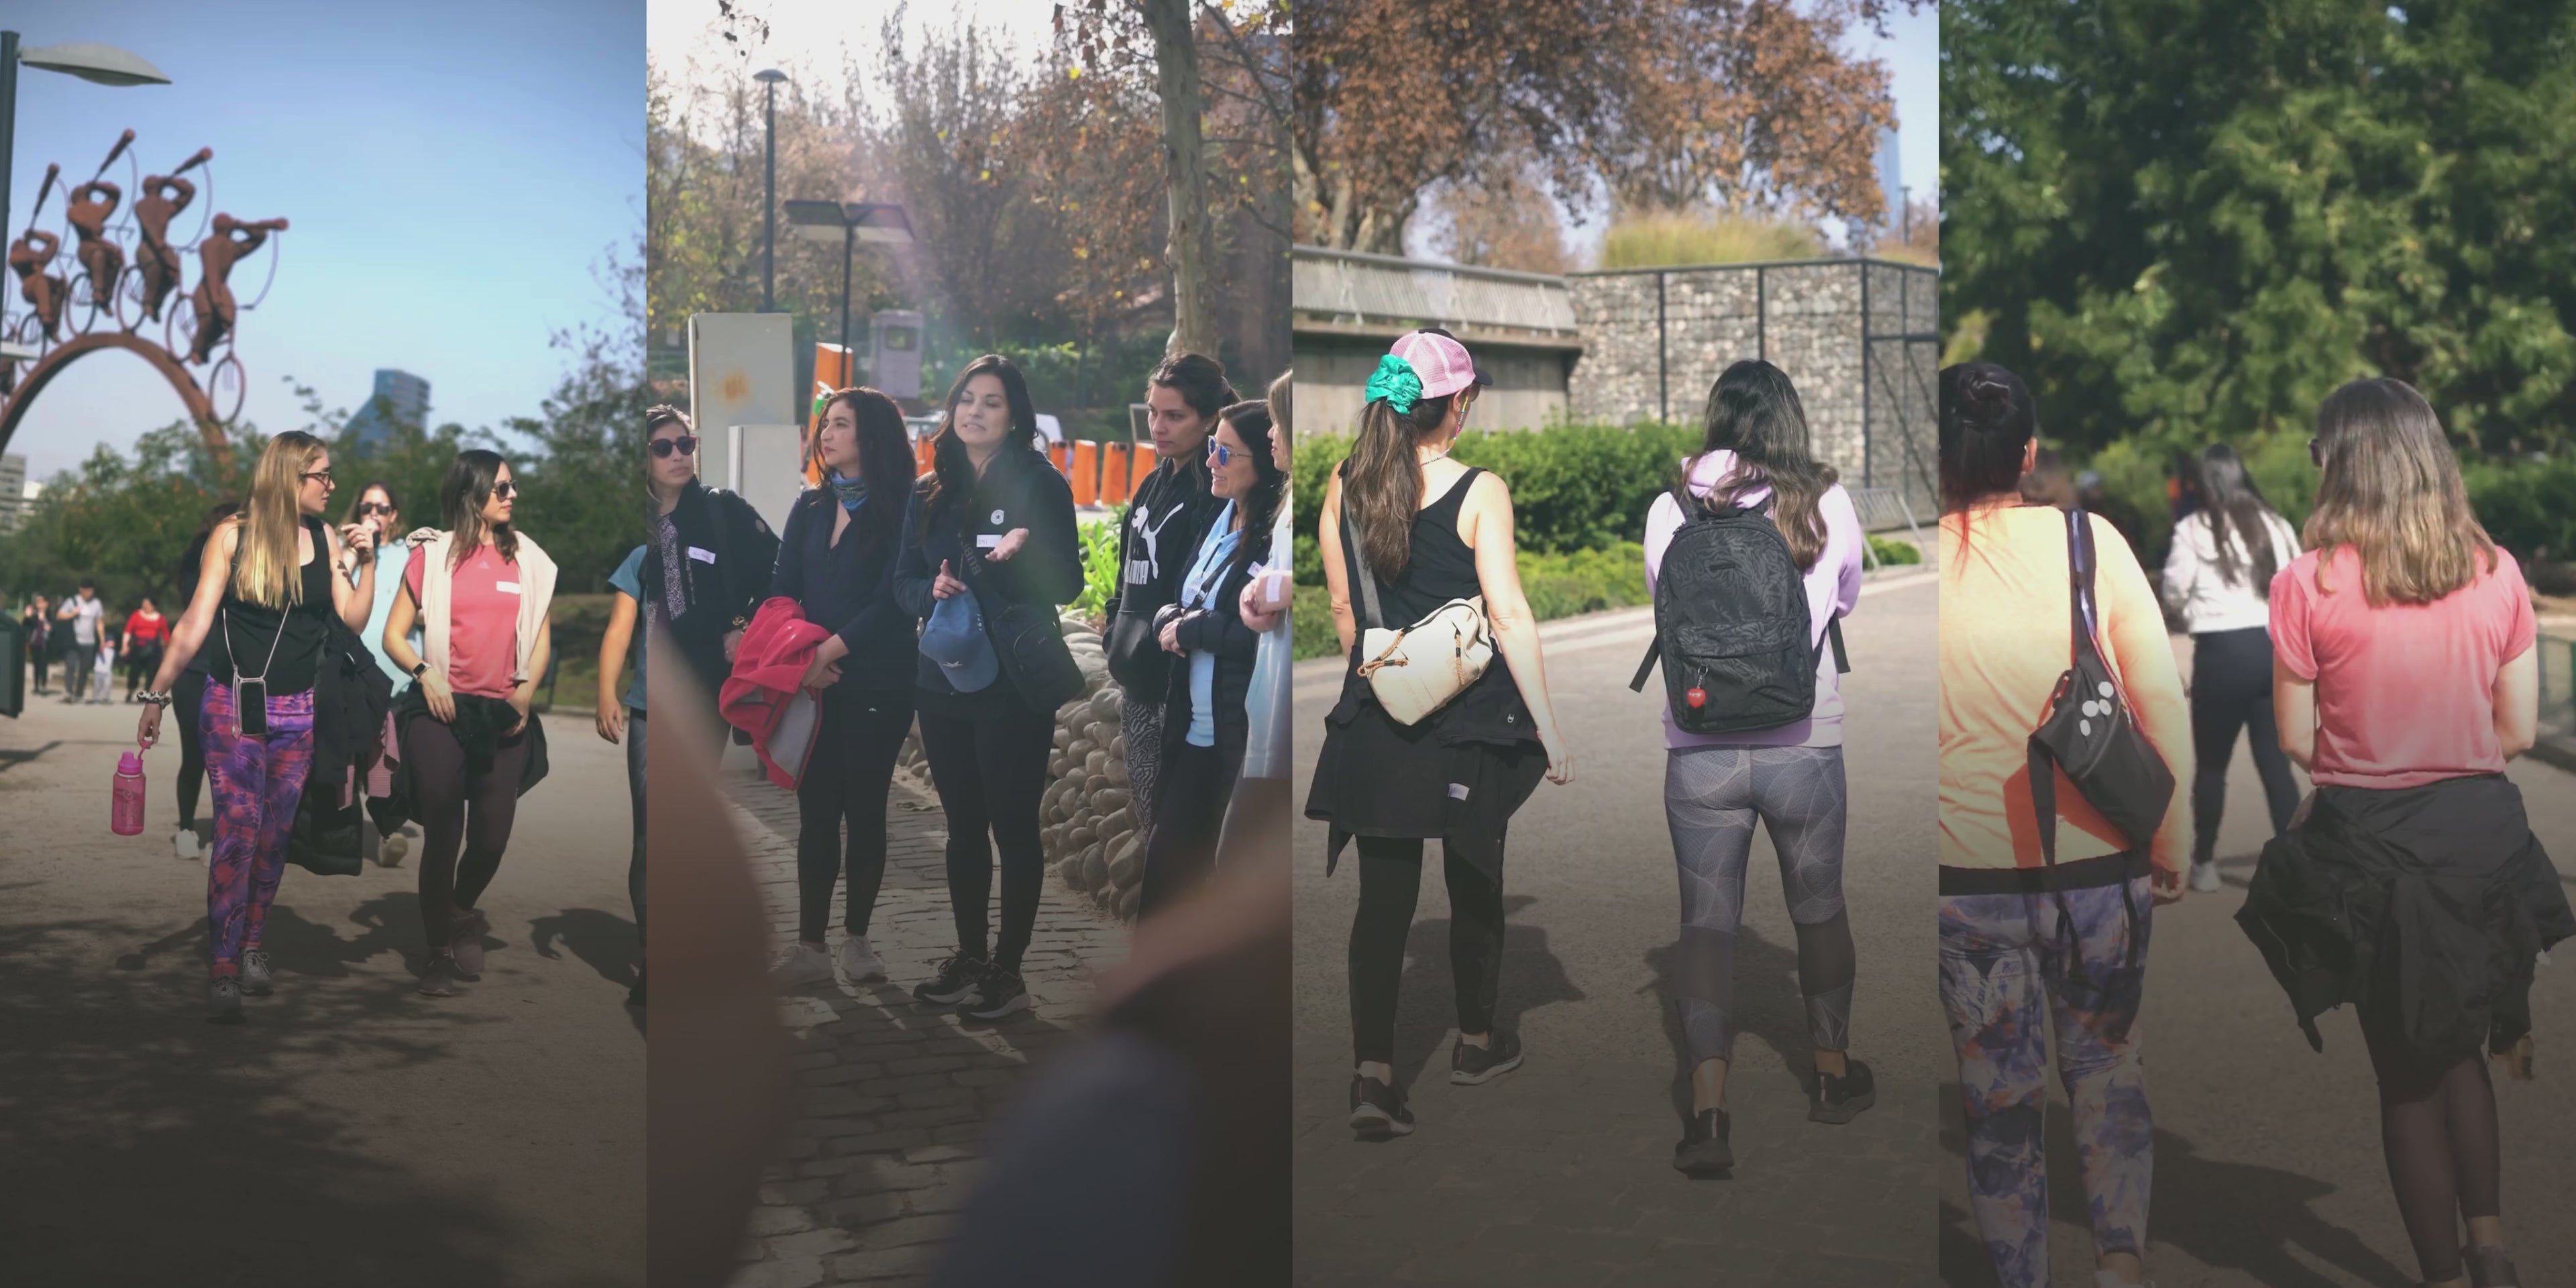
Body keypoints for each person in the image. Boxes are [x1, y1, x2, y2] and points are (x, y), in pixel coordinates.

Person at [2239, 378, 2569, 1288]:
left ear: (2339, 464)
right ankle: (2492, 1248)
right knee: (2461, 1047)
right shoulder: (2497, 570)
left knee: (2406, 1075)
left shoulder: (2306, 583)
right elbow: (2520, 732)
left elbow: (2298, 740)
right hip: (2480, 842)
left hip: (2371, 849)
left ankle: (2440, 1275)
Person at [1935, 362, 2192, 1288]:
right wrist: (2173, 842)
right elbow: (2159, 701)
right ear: (2029, 454)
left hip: (1964, 888)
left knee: (1999, 1105)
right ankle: (2119, 1265)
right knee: (2109, 1071)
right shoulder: (2091, 544)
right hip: (2099, 873)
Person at [1307, 329, 1572, 1142]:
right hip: (1468, 724)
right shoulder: (1481, 490)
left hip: (1378, 715)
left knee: (1382, 903)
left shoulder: (1343, 482)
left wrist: (1385, 676)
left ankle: (1374, 1076)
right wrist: (1551, 729)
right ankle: (1477, 1042)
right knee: (1474, 881)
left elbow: (1346, 611)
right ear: (1455, 406)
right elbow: (1510, 612)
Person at [1644, 360, 1872, 1177]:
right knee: (1819, 908)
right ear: (1789, 420)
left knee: (1705, 927)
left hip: (1698, 752)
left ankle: (1708, 1114)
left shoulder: (1669, 507)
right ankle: (1832, 1077)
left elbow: (1665, 612)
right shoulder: (1825, 501)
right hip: (1804, 742)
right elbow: (1844, 599)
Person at [137, 432, 376, 1021]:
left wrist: (367, 562)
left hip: (299, 712)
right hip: (231, 707)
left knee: (274, 837)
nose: (331, 486)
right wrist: (156, 695)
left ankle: (252, 945)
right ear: (291, 478)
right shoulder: (233, 536)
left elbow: (352, 618)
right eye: (322, 475)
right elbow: (194, 621)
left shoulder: (323, 539)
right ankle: (223, 960)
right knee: (237, 831)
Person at [893, 354, 1084, 1022]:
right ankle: (970, 957)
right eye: (966, 399)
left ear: (1015, 416)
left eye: (992, 402)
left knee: (1013, 827)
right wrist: (931, 588)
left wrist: (1026, 552)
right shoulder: (927, 491)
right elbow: (902, 583)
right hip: (942, 677)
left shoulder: (1039, 482)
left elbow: (1069, 585)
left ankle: (1009, 970)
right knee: (964, 828)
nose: (974, 411)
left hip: (1010, 683)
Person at [761, 386, 926, 991]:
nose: (826, 435)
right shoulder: (808, 507)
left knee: (865, 811)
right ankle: (809, 947)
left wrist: (829, 652)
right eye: (824, 424)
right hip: (813, 685)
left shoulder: (905, 509)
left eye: (841, 424)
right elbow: (782, 588)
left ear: (873, 437)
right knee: (815, 816)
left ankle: (857, 942)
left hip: (878, 679)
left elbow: (893, 601)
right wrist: (805, 657)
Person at [380, 451, 557, 998]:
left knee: (491, 838)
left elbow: (542, 638)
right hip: (441, 709)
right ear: (470, 494)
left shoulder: (529, 559)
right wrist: (426, 674)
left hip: (504, 715)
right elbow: (394, 635)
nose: (512, 495)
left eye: (512, 486)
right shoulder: (432, 558)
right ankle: (437, 952)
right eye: (501, 487)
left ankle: (460, 912)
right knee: (443, 831)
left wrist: (525, 696)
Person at [1137, 399, 1285, 916]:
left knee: (1210, 882)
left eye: (1225, 451)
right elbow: (1181, 598)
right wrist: (1168, 623)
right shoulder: (1219, 515)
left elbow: (1261, 634)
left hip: (1232, 736)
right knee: (1164, 875)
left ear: (1264, 462)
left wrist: (1194, 629)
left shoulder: (1274, 539)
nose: (1211, 461)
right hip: (1190, 725)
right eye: (1212, 448)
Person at [2158, 443, 2302, 893]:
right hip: (2270, 648)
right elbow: (2296, 580)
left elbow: (2175, 591)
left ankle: (2205, 864)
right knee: (2275, 762)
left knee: (2213, 765)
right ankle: (2296, 859)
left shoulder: (2193, 530)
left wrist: (2184, 610)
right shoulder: (2275, 524)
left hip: (2221, 654)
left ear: (2204, 484)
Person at [1108, 354, 1232, 837]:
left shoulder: (1215, 490)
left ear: (1210, 420)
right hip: (1136, 683)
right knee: (1149, 821)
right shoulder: (1152, 482)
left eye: (1174, 416)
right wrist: (1113, 633)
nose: (1158, 426)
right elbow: (1125, 573)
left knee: (1178, 837)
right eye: (1154, 412)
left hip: (1180, 688)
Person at [641, 405, 778, 751]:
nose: (678, 456)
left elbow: (781, 573)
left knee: (688, 796)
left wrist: (744, 627)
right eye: (663, 449)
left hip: (705, 681)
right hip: (643, 684)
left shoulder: (722, 510)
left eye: (685, 445)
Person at [1219, 370, 1296, 882]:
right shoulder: (1288, 501)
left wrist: (1272, 588)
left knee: (1237, 868)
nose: (1272, 434)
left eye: (1277, 422)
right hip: (1267, 709)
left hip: (1285, 714)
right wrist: (1260, 594)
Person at [341, 481, 421, 865]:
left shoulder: (412, 555)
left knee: (386, 761)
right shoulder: (343, 551)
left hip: (398, 676)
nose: (374, 513)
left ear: (395, 516)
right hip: (351, 672)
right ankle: (342, 832)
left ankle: (388, 833)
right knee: (348, 757)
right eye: (367, 506)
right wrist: (357, 550)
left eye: (383, 508)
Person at [168, 503, 241, 861]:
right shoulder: (204, 554)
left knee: (216, 760)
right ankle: (187, 828)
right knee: (202, 757)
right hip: (200, 670)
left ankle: (208, 833)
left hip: (220, 671)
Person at [602, 539, 647, 1007]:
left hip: (702, 707)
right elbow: (619, 630)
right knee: (649, 840)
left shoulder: (718, 533)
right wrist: (606, 691)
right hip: (649, 713)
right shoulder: (641, 558)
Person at [56, 578, 104, 703]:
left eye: (91, 591)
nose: (89, 593)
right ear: (81, 590)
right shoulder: (72, 601)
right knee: (71, 665)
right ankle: (69, 692)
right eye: (87, 591)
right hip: (74, 641)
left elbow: (99, 622)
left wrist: (102, 639)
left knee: (84, 669)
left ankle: (79, 693)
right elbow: (60, 615)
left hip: (89, 642)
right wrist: (72, 614)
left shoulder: (96, 604)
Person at [123, 596, 169, 702]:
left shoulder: (160, 618)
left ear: (153, 606)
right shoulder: (136, 615)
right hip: (138, 647)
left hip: (153, 648)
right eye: (144, 603)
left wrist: (167, 649)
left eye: (147, 604)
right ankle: (131, 690)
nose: (145, 606)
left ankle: (147, 694)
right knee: (134, 671)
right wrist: (125, 646)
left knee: (151, 672)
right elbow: (128, 631)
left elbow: (165, 634)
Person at [19, 597, 50, 695]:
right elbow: (25, 625)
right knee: (36, 665)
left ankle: (43, 685)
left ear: (46, 604)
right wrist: (27, 616)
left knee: (44, 665)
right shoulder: (34, 616)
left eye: (42, 602)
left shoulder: (49, 616)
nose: (40, 604)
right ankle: (36, 686)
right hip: (35, 643)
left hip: (45, 644)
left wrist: (48, 626)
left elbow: (54, 627)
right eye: (38, 603)